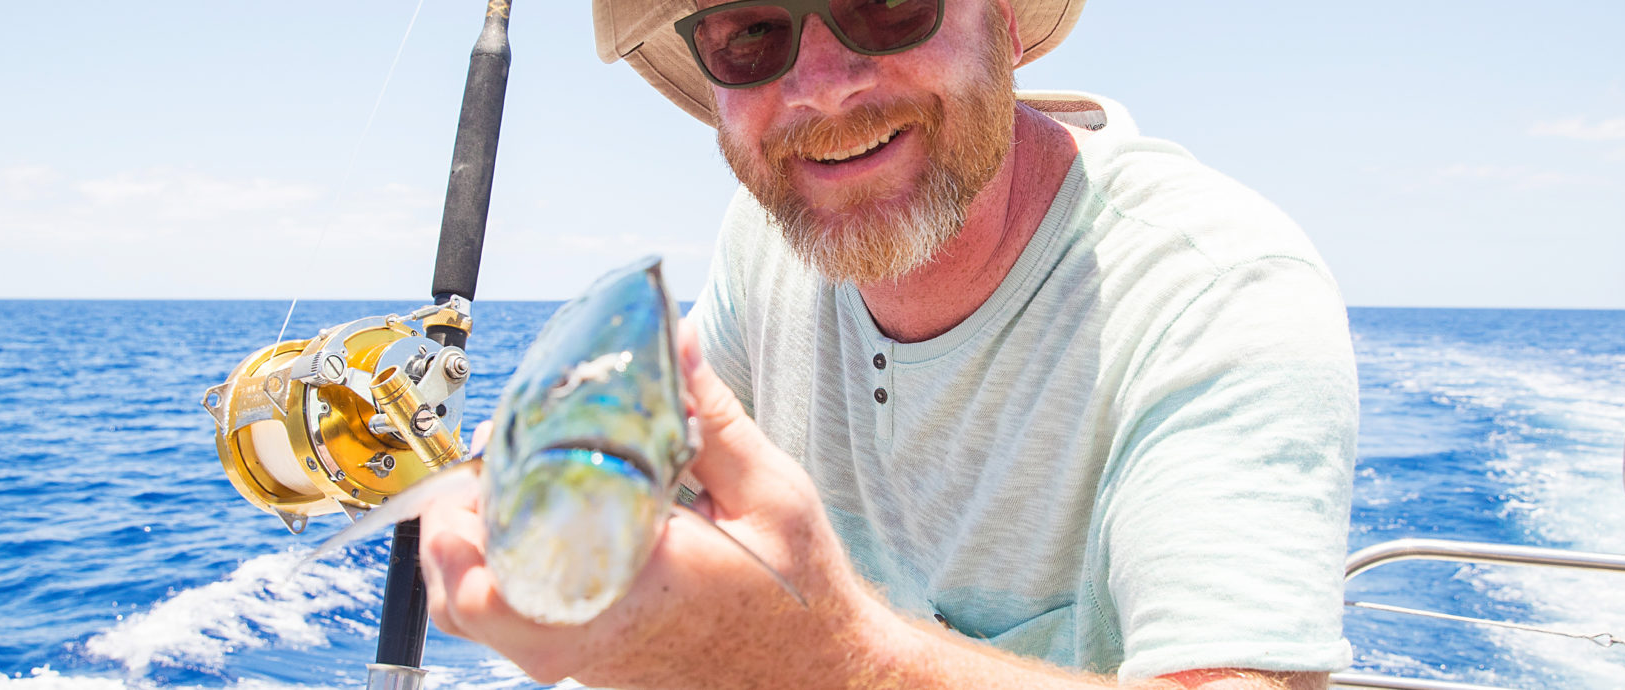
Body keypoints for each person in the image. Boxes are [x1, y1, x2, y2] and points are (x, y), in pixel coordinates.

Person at [419, 1, 1358, 687]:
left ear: (1008, 26)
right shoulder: (767, 244)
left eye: (886, 6)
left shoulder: (1218, 290)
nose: (823, 91)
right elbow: (653, 476)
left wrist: (813, 654)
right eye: (751, 32)